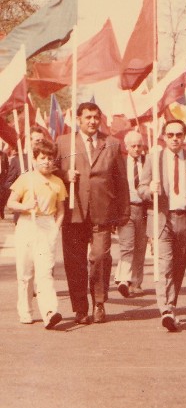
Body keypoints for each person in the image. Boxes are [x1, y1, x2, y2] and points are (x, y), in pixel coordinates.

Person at [57, 102, 130, 325]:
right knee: (75, 262)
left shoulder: (112, 144)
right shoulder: (64, 143)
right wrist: (63, 174)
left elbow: (121, 181)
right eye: (87, 117)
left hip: (102, 211)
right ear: (78, 119)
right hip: (74, 211)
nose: (92, 121)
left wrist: (124, 212)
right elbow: (47, 170)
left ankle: (99, 302)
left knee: (99, 257)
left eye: (96, 117)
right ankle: (80, 308)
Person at [137, 119, 186, 331]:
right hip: (162, 218)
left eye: (179, 135)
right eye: (170, 134)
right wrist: (150, 190)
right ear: (164, 136)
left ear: (184, 137)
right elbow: (141, 187)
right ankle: (165, 309)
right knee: (165, 264)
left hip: (185, 219)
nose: (175, 138)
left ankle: (171, 305)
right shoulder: (155, 159)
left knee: (178, 266)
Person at [7, 139, 66, 328]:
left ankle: (50, 311)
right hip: (26, 224)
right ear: (34, 159)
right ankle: (25, 310)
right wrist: (25, 206)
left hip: (47, 224)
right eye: (42, 157)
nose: (47, 161)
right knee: (25, 272)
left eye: (50, 158)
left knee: (45, 271)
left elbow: (61, 210)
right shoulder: (26, 179)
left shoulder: (57, 182)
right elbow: (11, 203)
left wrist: (56, 228)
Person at [114, 130, 149, 298]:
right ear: (126, 147)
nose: (137, 149)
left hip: (143, 209)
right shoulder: (120, 162)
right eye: (133, 146)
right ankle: (123, 280)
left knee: (140, 247)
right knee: (127, 246)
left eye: (139, 145)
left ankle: (136, 282)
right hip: (126, 209)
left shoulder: (147, 162)